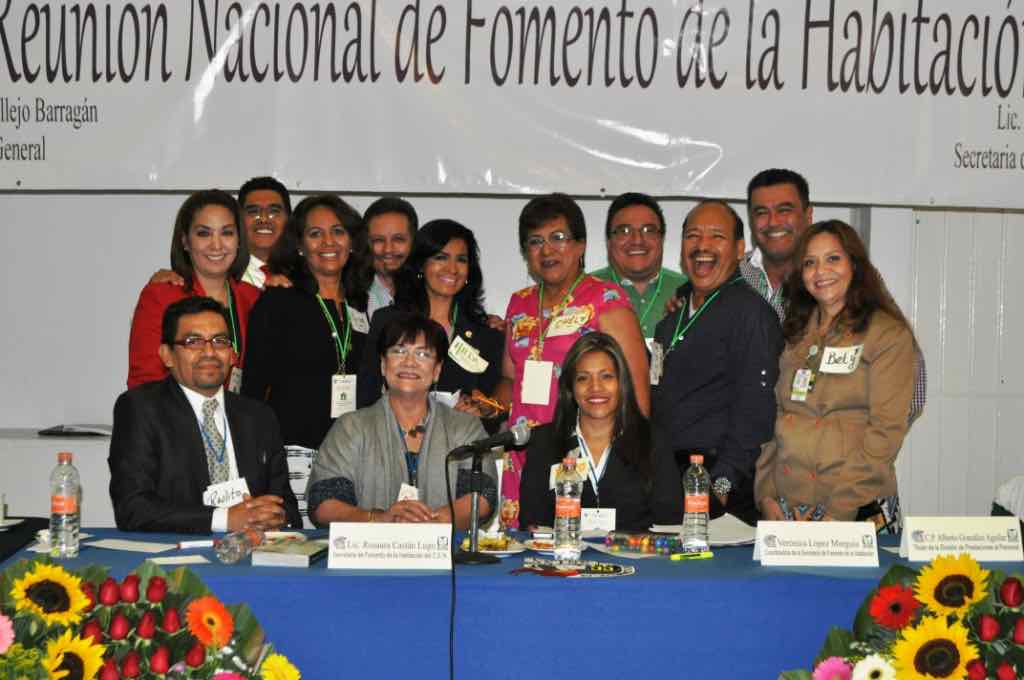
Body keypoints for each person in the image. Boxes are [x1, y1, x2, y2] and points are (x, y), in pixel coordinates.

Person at [494, 193, 649, 528]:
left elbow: (637, 391)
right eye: (535, 241)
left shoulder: (605, 298)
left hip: (579, 453)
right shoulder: (519, 303)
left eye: (558, 237)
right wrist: (487, 407)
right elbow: (509, 378)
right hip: (522, 450)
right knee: (528, 547)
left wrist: (629, 465)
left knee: (576, 544)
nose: (547, 250)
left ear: (581, 246)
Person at [754, 221, 916, 531]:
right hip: (788, 507)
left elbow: (885, 434)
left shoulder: (887, 335)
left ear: (854, 264)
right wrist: (766, 494)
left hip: (854, 507)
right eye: (809, 263)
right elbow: (776, 416)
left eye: (833, 259)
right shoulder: (794, 333)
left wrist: (839, 512)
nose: (820, 271)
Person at [743, 168, 927, 423]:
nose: (773, 221)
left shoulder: (848, 279)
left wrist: (850, 444)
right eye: (761, 212)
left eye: (784, 210)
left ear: (808, 215)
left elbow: (912, 389)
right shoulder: (734, 277)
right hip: (751, 444)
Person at [110, 297, 301, 534]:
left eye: (220, 341)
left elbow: (287, 507)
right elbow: (132, 508)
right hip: (177, 550)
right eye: (194, 342)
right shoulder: (141, 408)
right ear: (167, 355)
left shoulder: (259, 416)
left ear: (232, 354)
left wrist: (276, 516)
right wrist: (225, 519)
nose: (209, 352)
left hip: (253, 547)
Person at [650, 200, 783, 525]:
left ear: (739, 249)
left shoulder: (751, 313)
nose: (702, 245)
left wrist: (722, 485)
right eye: (693, 236)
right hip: (669, 478)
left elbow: (757, 410)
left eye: (716, 236)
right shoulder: (669, 321)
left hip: (720, 482)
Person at [306, 313, 497, 529]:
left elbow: (482, 497)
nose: (409, 362)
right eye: (398, 351)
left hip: (445, 547)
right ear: (383, 365)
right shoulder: (351, 427)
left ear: (437, 370)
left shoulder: (465, 427)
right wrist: (380, 519)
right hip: (370, 548)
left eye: (423, 354)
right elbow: (323, 503)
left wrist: (430, 522)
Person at [241, 194, 372, 449]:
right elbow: (253, 389)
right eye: (315, 234)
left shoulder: (359, 303)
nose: (328, 242)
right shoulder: (278, 301)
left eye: (338, 231)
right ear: (299, 246)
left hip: (351, 447)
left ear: (352, 242)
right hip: (292, 447)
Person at [357, 219, 503, 415]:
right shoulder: (387, 321)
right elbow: (366, 395)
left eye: (461, 260)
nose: (452, 268)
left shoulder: (485, 333)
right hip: (391, 432)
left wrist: (481, 409)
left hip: (460, 433)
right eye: (441, 257)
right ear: (421, 265)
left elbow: (492, 404)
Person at [519, 333, 653, 530]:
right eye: (583, 378)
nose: (595, 387)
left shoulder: (651, 439)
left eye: (606, 376)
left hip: (635, 549)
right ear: (571, 388)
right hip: (564, 549)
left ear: (622, 383)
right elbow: (532, 522)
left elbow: (669, 521)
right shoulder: (544, 441)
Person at [127, 190, 260, 389]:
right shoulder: (161, 296)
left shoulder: (253, 298)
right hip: (174, 409)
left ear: (239, 240)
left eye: (227, 233)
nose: (216, 245)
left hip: (240, 408)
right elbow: (144, 382)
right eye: (204, 233)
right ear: (185, 241)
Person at [591, 192, 687, 341]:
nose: (637, 240)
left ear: (661, 239)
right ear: (609, 242)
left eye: (648, 230)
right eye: (624, 231)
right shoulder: (583, 291)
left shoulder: (689, 291)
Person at [364, 196, 419, 318]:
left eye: (398, 239)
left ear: (413, 241)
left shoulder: (428, 291)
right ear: (366, 242)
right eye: (378, 240)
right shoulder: (348, 293)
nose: (388, 249)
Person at [238, 176, 292, 289]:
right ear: (238, 219)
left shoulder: (308, 273)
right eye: (253, 212)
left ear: (289, 219)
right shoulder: (224, 274)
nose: (263, 219)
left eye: (274, 212)